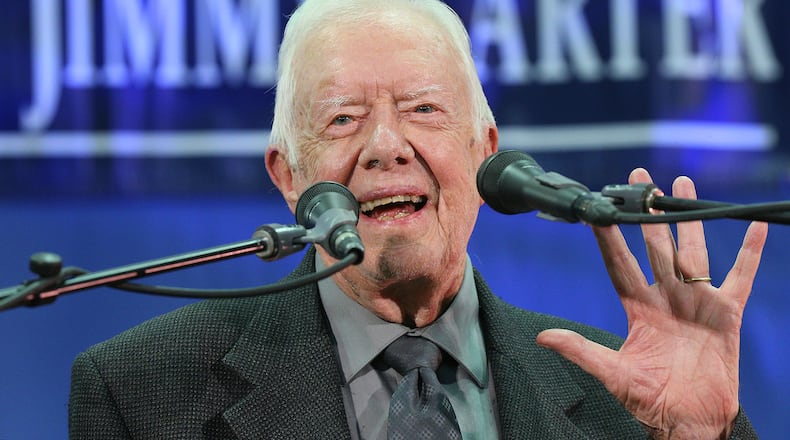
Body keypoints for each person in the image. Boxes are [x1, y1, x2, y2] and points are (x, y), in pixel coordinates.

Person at [68, 0, 768, 438]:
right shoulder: (141, 392)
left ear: (484, 152)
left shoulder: (623, 400)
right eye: (343, 118)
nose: (386, 145)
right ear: (288, 176)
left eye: (424, 109)